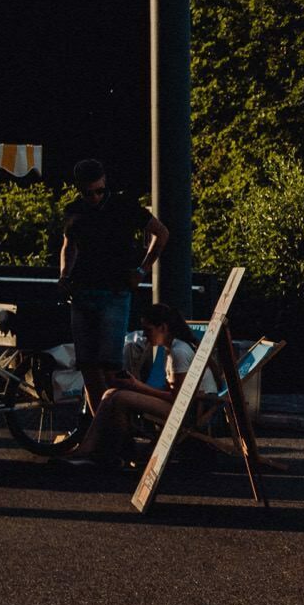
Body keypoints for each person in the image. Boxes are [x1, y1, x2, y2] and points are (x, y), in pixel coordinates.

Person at [59, 159, 170, 416]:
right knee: (88, 365)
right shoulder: (74, 211)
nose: (95, 197)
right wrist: (64, 275)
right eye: (89, 193)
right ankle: (101, 425)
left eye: (99, 191)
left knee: (110, 367)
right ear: (80, 189)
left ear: (105, 183)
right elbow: (69, 245)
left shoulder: (124, 206)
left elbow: (161, 233)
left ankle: (115, 427)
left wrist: (142, 270)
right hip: (84, 291)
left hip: (113, 292)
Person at [70, 302, 217, 466]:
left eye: (149, 330)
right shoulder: (175, 348)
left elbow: (178, 399)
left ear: (163, 327)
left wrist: (137, 386)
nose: (145, 336)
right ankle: (106, 449)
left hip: (191, 410)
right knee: (110, 394)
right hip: (187, 405)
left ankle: (98, 449)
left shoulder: (179, 352)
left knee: (119, 397)